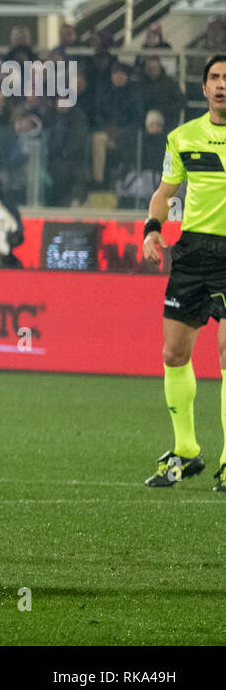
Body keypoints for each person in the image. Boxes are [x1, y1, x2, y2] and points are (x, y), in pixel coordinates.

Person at [141, 54, 226, 493]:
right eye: (214, 77)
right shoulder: (183, 137)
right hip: (192, 251)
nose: (221, 84)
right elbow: (164, 193)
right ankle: (187, 451)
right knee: (174, 355)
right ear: (203, 87)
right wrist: (153, 230)